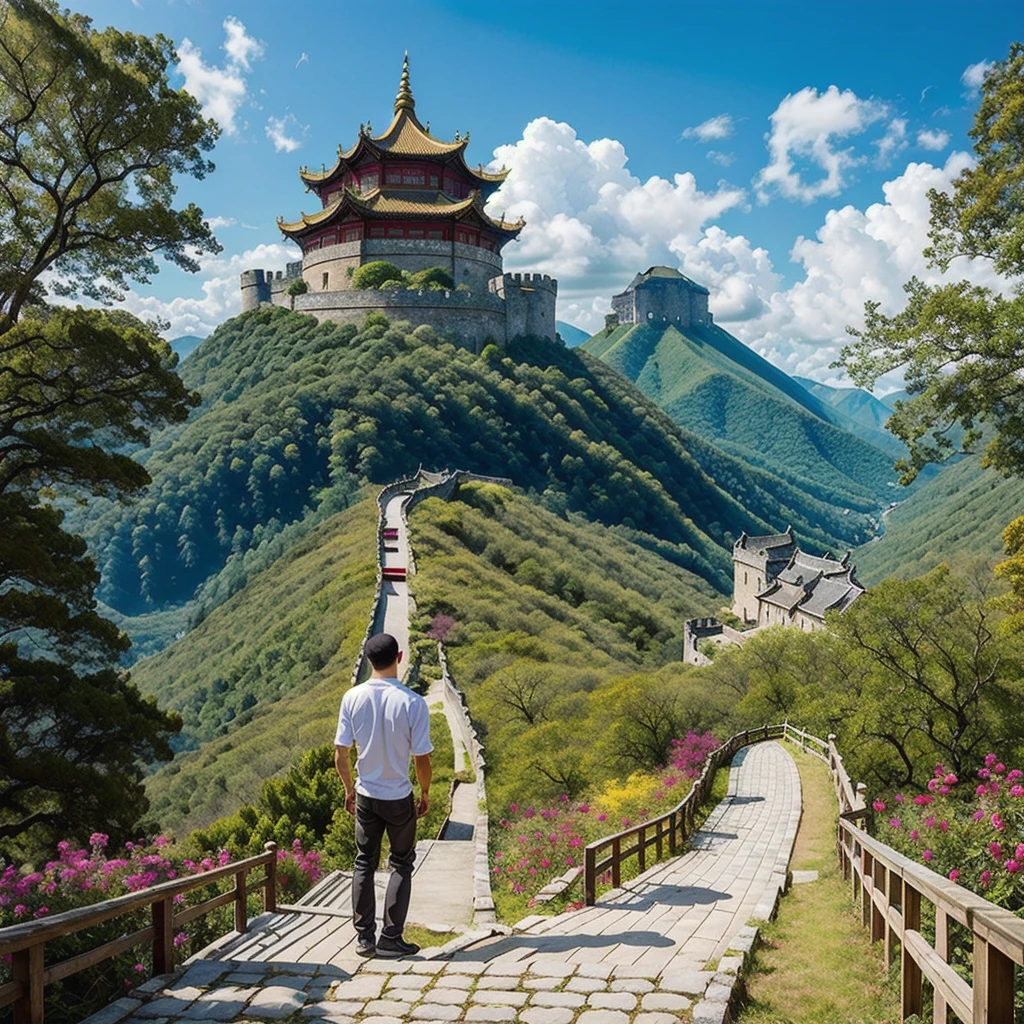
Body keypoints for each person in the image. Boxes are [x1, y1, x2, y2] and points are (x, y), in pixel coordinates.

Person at [334, 632, 433, 958]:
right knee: (401, 863)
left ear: (368, 659)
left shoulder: (352, 697)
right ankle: (392, 937)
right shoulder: (412, 702)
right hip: (398, 795)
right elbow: (422, 758)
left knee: (364, 861)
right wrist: (425, 793)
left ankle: (364, 938)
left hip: (366, 793)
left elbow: (341, 754)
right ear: (399, 657)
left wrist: (349, 789)